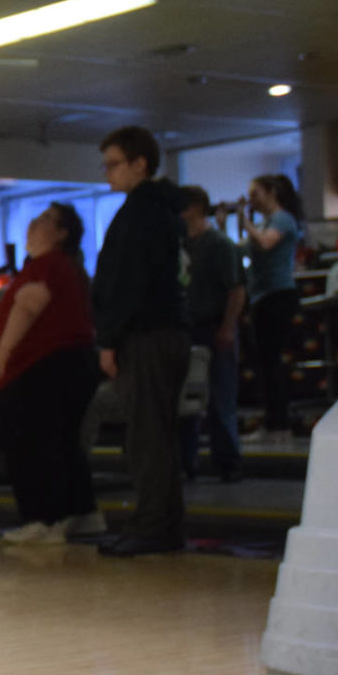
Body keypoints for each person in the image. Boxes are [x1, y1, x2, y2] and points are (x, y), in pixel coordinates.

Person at [92, 125, 189, 557]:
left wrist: (109, 339)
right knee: (157, 434)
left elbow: (128, 283)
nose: (107, 174)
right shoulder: (159, 209)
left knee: (147, 436)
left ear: (140, 164)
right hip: (162, 332)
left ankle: (153, 524)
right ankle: (162, 522)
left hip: (146, 335)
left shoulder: (141, 213)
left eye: (114, 164)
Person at [0, 204, 102, 544]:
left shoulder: (47, 265)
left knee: (32, 442)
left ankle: (44, 519)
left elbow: (28, 306)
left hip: (42, 364)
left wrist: (2, 356)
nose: (33, 226)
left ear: (62, 233)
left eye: (43, 221)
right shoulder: (70, 267)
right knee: (63, 441)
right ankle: (83, 514)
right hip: (73, 362)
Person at [178, 187, 245, 480]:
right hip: (187, 327)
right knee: (186, 397)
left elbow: (236, 289)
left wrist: (227, 327)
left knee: (221, 396)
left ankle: (227, 462)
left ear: (194, 207)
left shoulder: (219, 244)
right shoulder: (181, 245)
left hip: (214, 324)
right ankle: (185, 460)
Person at [237, 173, 303, 443]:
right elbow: (241, 250)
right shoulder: (265, 223)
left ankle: (279, 423)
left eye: (256, 194)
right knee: (264, 363)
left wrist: (244, 221)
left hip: (278, 296)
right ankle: (273, 420)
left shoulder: (282, 219)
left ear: (272, 192)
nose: (251, 200)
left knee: (271, 362)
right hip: (262, 297)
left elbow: (265, 243)